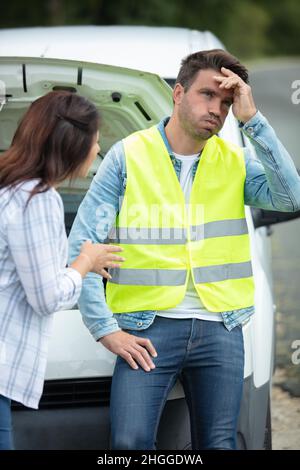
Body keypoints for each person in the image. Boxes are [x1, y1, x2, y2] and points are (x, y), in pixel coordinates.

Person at [68, 50, 300, 450]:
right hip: (146, 329)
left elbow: (291, 196)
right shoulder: (128, 156)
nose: (217, 109)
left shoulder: (237, 161)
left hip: (220, 327)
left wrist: (252, 122)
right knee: (128, 444)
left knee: (219, 444)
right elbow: (83, 245)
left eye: (226, 103)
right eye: (207, 95)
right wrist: (105, 330)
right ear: (178, 93)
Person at [0, 91, 125, 450]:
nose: (98, 149)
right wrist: (84, 262)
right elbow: (47, 297)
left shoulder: (11, 188)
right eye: (96, 141)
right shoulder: (37, 200)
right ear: (74, 144)